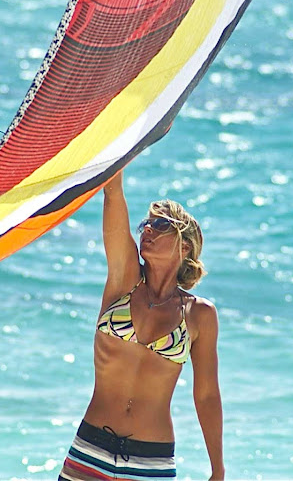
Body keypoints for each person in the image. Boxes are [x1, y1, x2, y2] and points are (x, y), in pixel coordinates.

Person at [59, 170, 224, 480]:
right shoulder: (124, 281)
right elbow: (113, 192)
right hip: (90, 450)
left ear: (184, 246)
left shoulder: (199, 315)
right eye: (145, 224)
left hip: (152, 462)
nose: (147, 229)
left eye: (160, 225)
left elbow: (206, 396)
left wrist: (218, 470)